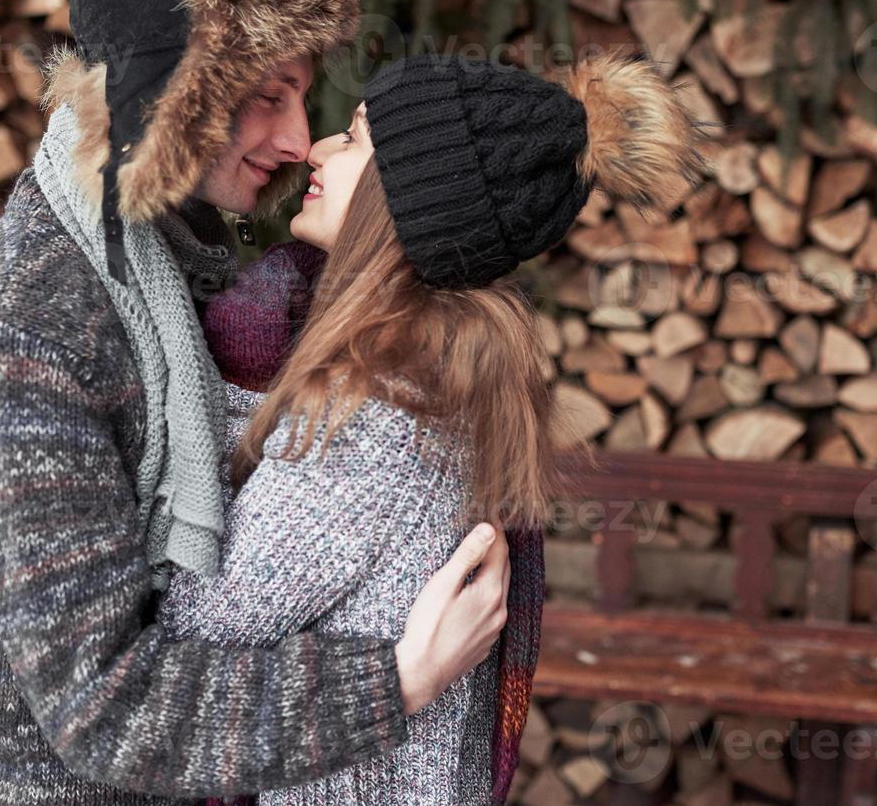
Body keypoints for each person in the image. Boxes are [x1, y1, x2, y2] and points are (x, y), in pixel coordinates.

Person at [0, 0, 509, 805]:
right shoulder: (24, 332)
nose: (298, 140)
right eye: (268, 96)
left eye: (304, 98)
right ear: (171, 99)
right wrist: (399, 681)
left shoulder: (161, 268)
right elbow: (106, 711)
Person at [160, 51, 704, 804]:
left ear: (405, 200)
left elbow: (187, 636)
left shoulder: (374, 427)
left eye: (352, 139)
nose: (316, 149)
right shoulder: (434, 391)